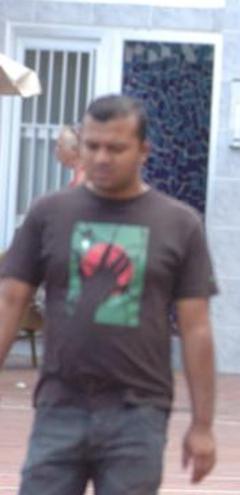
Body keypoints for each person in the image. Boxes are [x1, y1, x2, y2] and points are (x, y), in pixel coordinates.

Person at [0, 94, 218, 494]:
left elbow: (197, 329)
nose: (101, 158)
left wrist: (202, 425)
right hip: (59, 406)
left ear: (143, 151)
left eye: (115, 148)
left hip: (138, 413)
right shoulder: (48, 214)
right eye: (92, 145)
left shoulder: (179, 224)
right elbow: (9, 302)